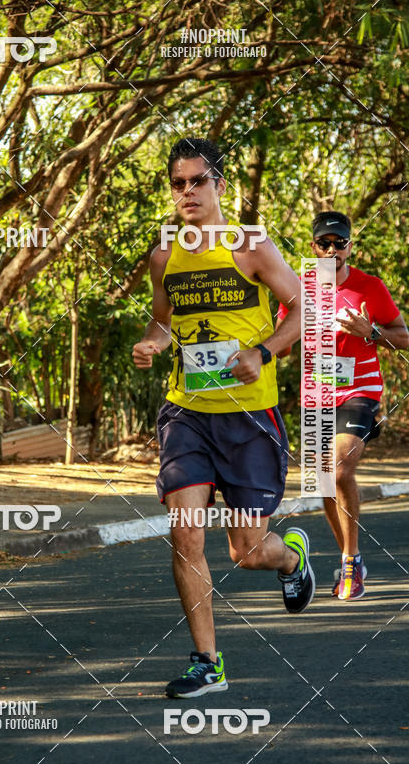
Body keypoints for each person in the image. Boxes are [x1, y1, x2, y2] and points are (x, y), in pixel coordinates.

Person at [132, 137, 315, 699]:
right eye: (178, 183)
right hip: (185, 411)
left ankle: (290, 560)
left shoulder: (249, 246)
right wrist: (152, 342)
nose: (187, 192)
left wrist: (261, 353)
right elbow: (163, 321)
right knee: (185, 533)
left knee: (245, 549)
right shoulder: (164, 255)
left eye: (198, 181)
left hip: (248, 417)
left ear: (219, 186)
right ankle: (207, 663)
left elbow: (303, 310)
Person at [276, 212, 409, 600]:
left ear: (351, 246)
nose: (332, 250)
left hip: (359, 390)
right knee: (322, 481)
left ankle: (350, 564)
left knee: (338, 467)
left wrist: (373, 332)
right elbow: (283, 345)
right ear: (313, 247)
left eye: (339, 243)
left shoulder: (370, 287)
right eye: (324, 244)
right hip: (317, 394)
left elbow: (403, 336)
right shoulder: (298, 288)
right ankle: (350, 556)